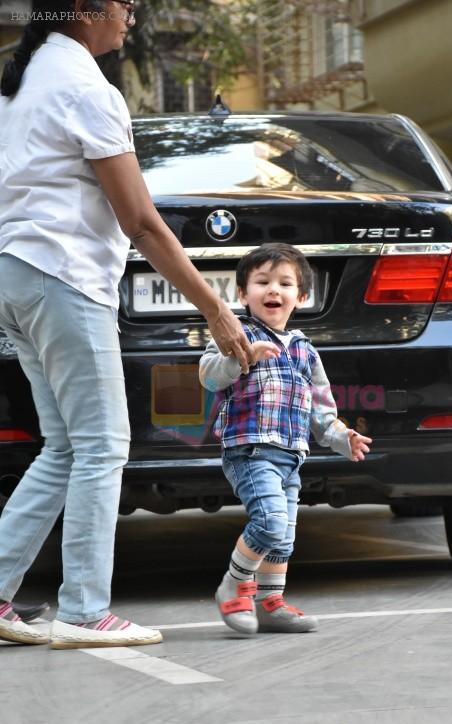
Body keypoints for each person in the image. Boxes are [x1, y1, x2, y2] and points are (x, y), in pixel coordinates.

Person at [0, 0, 252, 649]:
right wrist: (216, 308)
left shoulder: (22, 84)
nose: (131, 15)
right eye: (123, 4)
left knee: (65, 446)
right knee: (104, 443)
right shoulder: (86, 87)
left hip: (18, 275)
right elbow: (140, 220)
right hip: (64, 277)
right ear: (84, 9)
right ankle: (84, 611)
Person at [199, 243, 372, 634]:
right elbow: (209, 376)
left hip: (291, 455)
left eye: (284, 283)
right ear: (242, 293)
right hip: (250, 449)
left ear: (302, 296)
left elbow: (321, 410)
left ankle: (269, 603)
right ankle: (234, 584)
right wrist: (239, 359)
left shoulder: (305, 350)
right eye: (261, 282)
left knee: (284, 538)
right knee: (270, 523)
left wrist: (343, 437)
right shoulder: (235, 334)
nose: (272, 290)